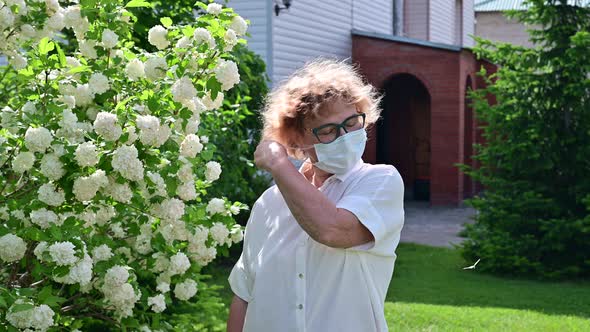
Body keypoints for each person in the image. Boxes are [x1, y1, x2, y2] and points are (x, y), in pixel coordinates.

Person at [226, 58, 405, 332]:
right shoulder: (268, 205)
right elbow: (244, 296)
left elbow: (334, 231)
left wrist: (278, 163)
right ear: (296, 140)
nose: (345, 136)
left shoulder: (380, 181)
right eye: (329, 131)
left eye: (353, 122)